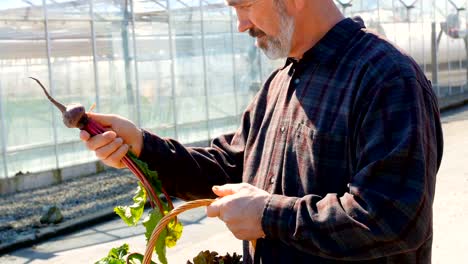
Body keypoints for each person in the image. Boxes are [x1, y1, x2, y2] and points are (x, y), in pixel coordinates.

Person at [80, 0, 443, 263]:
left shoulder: (386, 78)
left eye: (245, 5)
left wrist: (268, 216)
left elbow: (392, 217)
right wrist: (142, 146)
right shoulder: (281, 83)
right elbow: (231, 167)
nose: (240, 24)